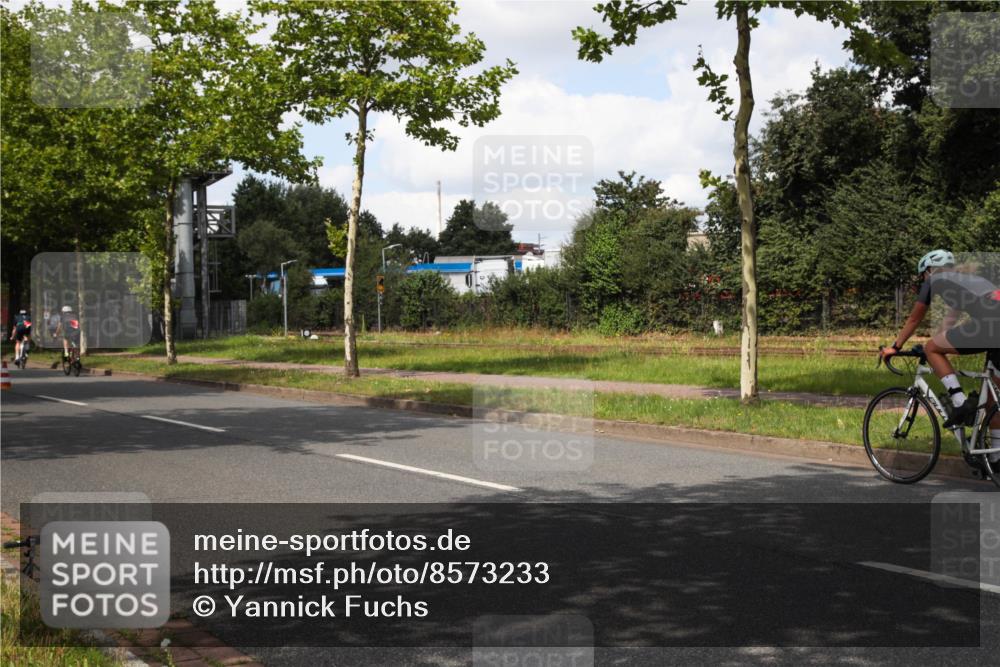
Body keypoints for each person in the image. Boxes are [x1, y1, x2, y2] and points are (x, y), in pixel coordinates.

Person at [882, 250, 1000, 444]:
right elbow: (948, 323)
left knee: (932, 348)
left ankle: (959, 402)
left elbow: (914, 318)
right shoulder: (965, 281)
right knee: (991, 402)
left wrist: (895, 346)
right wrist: (936, 341)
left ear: (929, 271)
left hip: (992, 323)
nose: (923, 281)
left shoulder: (933, 281)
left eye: (922, 276)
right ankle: (995, 460)